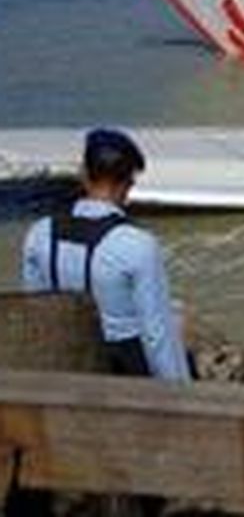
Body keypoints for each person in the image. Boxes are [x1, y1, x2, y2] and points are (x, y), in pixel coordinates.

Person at [21, 128, 191, 382]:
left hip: (69, 361)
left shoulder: (40, 233)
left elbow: (37, 311)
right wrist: (180, 394)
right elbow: (157, 335)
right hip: (123, 367)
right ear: (129, 183)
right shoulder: (138, 244)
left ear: (84, 175)